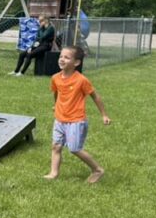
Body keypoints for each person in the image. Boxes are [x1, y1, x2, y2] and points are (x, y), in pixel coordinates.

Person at [44, 46, 111, 183]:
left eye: (67, 57)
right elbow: (57, 93)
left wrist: (104, 114)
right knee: (56, 146)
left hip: (76, 120)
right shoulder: (55, 78)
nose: (62, 59)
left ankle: (97, 169)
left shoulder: (81, 80)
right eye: (61, 56)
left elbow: (95, 96)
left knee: (74, 148)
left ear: (76, 63)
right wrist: (56, 104)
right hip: (59, 119)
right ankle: (53, 173)